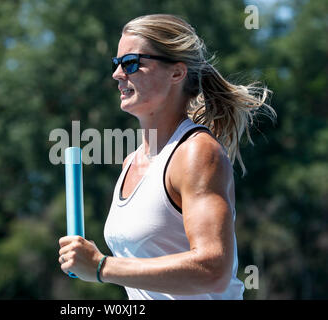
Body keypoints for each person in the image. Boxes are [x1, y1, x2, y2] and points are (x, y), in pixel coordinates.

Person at [58, 14, 276, 299]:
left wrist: (102, 267)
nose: (117, 74)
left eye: (131, 63)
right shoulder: (130, 163)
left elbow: (214, 270)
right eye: (116, 64)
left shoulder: (196, 152)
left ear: (176, 73)